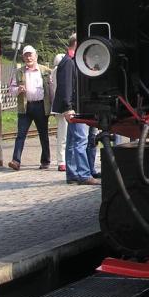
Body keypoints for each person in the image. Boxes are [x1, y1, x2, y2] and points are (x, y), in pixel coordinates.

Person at [53, 34, 99, 185]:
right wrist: (68, 107)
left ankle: (76, 173)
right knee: (80, 140)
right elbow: (65, 86)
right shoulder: (68, 62)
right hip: (76, 107)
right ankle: (84, 174)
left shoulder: (78, 61)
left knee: (76, 140)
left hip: (83, 105)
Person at [8, 45, 52, 171]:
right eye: (26, 55)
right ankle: (16, 161)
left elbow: (52, 88)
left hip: (41, 105)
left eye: (30, 55)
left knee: (43, 134)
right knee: (20, 135)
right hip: (25, 107)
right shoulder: (19, 72)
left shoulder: (45, 71)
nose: (28, 57)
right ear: (23, 57)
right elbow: (11, 89)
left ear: (36, 56)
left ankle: (45, 161)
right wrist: (18, 89)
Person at [50, 53, 68, 172]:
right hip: (64, 106)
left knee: (62, 135)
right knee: (64, 135)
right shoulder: (59, 70)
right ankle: (62, 161)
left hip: (59, 106)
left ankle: (62, 160)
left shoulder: (53, 71)